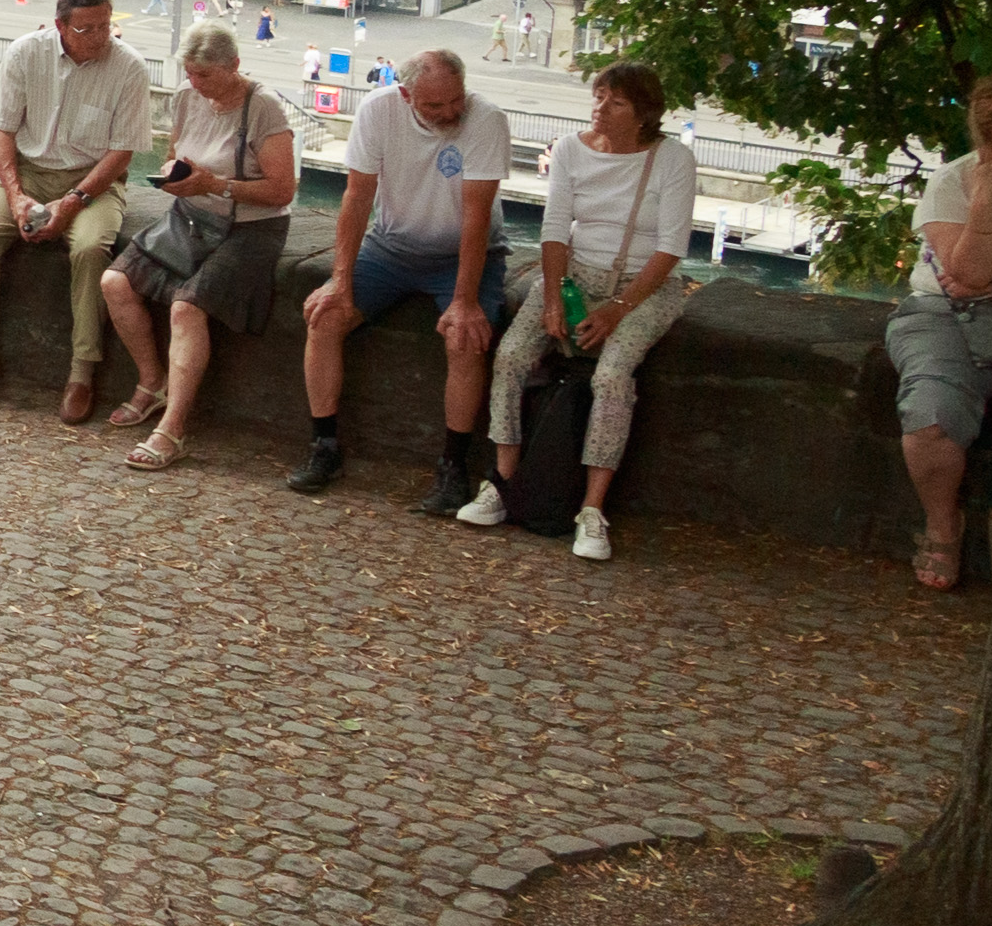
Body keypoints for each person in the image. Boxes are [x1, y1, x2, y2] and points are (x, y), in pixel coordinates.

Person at [458, 59, 698, 561]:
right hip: (575, 276)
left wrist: (616, 309)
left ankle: (592, 509)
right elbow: (554, 228)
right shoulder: (570, 149)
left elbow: (672, 246)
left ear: (644, 113)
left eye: (617, 101)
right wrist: (551, 297)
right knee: (511, 356)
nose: (601, 107)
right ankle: (503, 482)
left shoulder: (671, 158)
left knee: (611, 376)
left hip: (642, 286)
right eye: (599, 95)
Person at [292, 48, 513, 511]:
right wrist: (339, 278)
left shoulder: (486, 120)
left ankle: (453, 466)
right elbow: (355, 199)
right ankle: (325, 446)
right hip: (391, 247)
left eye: (456, 100)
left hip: (465, 253)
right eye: (435, 106)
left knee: (464, 338)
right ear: (406, 93)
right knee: (325, 320)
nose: (450, 113)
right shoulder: (378, 111)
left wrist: (465, 299)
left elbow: (476, 217)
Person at [884, 66, 992, 592]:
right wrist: (985, 199)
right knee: (931, 418)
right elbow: (967, 276)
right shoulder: (952, 184)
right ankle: (943, 526)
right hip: (944, 315)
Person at [102, 22, 299, 473]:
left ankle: (172, 429)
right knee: (115, 280)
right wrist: (177, 173)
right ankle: (153, 383)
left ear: (234, 66)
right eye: (190, 73)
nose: (196, 83)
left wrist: (215, 185)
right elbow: (174, 152)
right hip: (192, 216)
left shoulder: (262, 106)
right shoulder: (187, 97)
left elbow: (282, 189)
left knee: (186, 308)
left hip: (251, 227)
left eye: (206, 75)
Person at [0, 0, 153, 419]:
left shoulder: (129, 67)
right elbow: (2, 129)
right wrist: (15, 194)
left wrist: (75, 200)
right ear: (61, 26)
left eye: (106, 26)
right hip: (27, 173)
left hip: (94, 180)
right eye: (87, 29)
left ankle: (82, 372)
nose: (101, 37)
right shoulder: (26, 53)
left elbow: (123, 152)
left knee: (90, 250)